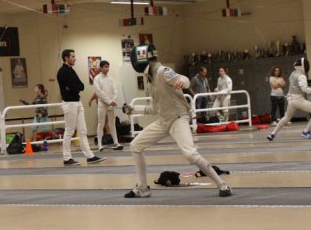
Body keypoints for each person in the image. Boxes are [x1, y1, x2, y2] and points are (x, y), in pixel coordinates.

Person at [121, 47, 231, 198]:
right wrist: (133, 109)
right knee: (135, 146)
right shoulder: (152, 79)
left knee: (190, 154)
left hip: (179, 119)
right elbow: (155, 108)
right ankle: (142, 188)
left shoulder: (163, 71)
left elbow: (184, 80)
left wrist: (181, 82)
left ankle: (222, 184)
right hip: (164, 121)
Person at [56, 49, 104, 166]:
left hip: (77, 102)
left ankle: (89, 156)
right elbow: (74, 87)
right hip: (69, 103)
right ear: (66, 58)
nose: (75, 58)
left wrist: (74, 87)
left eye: (74, 56)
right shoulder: (62, 72)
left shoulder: (71, 70)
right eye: (72, 56)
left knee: (83, 130)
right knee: (69, 131)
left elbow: (81, 86)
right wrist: (74, 87)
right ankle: (67, 158)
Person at [266, 58, 311, 141]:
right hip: (298, 100)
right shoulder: (301, 76)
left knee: (286, 117)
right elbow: (305, 89)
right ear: (302, 66)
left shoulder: (293, 73)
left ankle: (272, 134)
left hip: (291, 100)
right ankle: (306, 132)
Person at [89, 60, 123, 151]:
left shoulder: (111, 79)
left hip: (111, 104)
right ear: (101, 68)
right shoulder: (97, 78)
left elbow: (115, 91)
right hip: (102, 104)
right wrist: (109, 101)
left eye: (108, 67)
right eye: (105, 67)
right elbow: (99, 92)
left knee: (112, 123)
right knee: (101, 123)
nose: (107, 68)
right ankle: (100, 145)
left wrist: (113, 100)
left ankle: (116, 143)